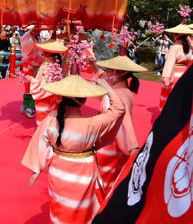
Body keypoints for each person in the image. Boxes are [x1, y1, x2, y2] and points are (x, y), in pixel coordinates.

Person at [22, 75, 125, 224]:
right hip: (83, 174)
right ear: (83, 100)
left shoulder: (51, 119)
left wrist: (37, 170)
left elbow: (41, 145)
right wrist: (107, 87)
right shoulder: (93, 123)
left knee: (60, 212)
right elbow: (119, 108)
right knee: (82, 215)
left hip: (58, 173)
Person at [93, 56, 148, 194]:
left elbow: (127, 123)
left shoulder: (120, 95)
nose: (108, 74)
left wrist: (133, 148)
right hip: (109, 140)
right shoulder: (121, 91)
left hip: (110, 145)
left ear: (119, 73)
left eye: (110, 71)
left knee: (105, 183)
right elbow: (105, 97)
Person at [25, 40, 67, 126]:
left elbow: (44, 88)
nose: (41, 51)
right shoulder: (54, 63)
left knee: (43, 124)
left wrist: (32, 80)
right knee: (50, 121)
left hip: (45, 99)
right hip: (52, 98)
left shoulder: (48, 66)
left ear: (47, 53)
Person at [159, 24, 193, 112]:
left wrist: (166, 77)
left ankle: (166, 117)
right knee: (181, 97)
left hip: (174, 75)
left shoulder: (174, 48)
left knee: (169, 97)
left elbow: (170, 63)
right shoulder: (189, 48)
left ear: (175, 35)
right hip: (184, 73)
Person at [20, 25, 45, 118]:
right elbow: (27, 54)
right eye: (37, 29)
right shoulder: (27, 36)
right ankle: (29, 107)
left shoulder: (38, 37)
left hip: (37, 65)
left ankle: (26, 105)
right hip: (29, 66)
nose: (39, 31)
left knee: (35, 86)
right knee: (28, 87)